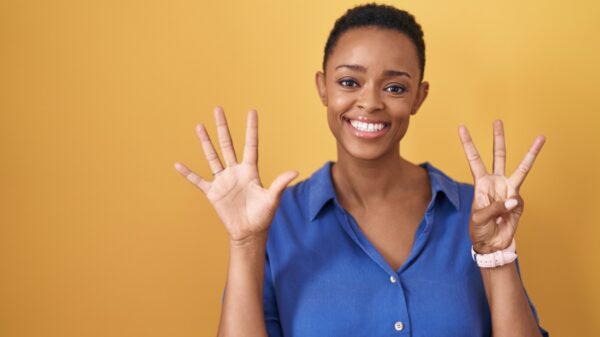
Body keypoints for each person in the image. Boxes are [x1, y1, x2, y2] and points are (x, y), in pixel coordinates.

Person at [175, 3, 548, 337]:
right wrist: (244, 243)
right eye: (349, 82)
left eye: (395, 88)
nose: (369, 102)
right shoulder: (274, 221)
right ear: (323, 87)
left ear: (419, 96)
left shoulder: (478, 211)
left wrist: (496, 256)